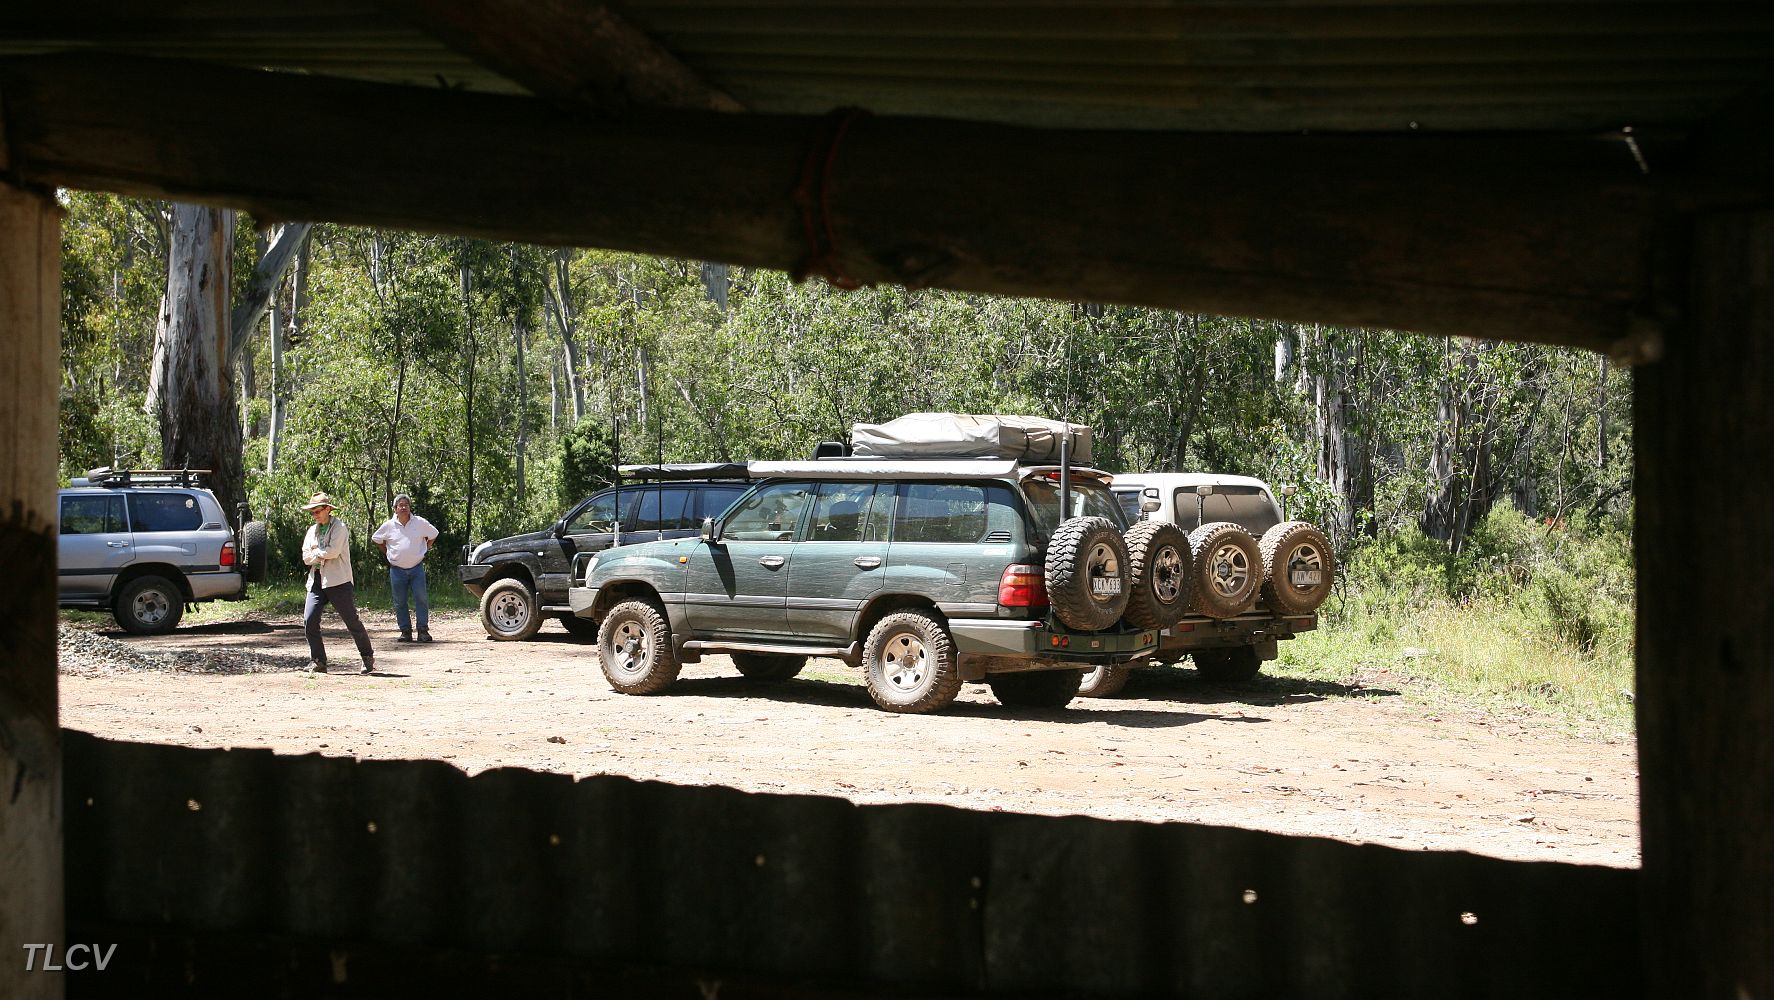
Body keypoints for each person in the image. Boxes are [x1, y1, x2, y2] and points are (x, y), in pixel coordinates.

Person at [300, 492, 375, 674]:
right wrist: (319, 553)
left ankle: (367, 657)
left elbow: (333, 552)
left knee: (351, 621)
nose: (314, 515)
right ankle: (318, 661)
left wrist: (316, 552)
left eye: (317, 511)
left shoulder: (340, 528)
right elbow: (305, 556)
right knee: (309, 620)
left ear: (327, 509)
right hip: (316, 580)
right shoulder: (312, 530)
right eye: (312, 512)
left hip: (338, 580)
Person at [371, 493, 439, 643]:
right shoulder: (388, 526)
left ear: (410, 507)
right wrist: (387, 551)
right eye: (400, 505)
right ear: (395, 509)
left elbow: (434, 534)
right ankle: (405, 631)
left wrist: (426, 548)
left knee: (421, 599)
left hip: (416, 568)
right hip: (397, 570)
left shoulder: (419, 522)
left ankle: (423, 631)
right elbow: (376, 539)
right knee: (400, 601)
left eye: (406, 505)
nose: (403, 508)